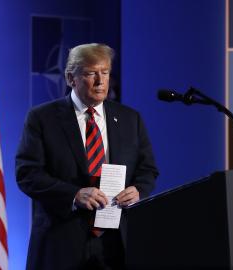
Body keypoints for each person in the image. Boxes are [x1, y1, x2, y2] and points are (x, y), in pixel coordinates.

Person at [15, 43, 159, 270]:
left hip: (115, 244)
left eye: (105, 72)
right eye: (92, 73)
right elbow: (28, 174)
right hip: (61, 240)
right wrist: (74, 195)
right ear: (71, 78)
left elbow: (147, 169)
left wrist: (139, 189)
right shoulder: (43, 118)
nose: (101, 81)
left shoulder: (131, 119)